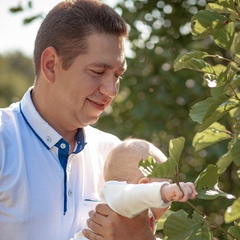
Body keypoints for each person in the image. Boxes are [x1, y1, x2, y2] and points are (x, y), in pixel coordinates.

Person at [0, 1, 160, 240]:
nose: (111, 90)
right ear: (51, 65)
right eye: (97, 72)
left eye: (117, 75)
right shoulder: (4, 142)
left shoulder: (116, 155)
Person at [71, 138, 198, 240]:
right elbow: (131, 195)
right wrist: (163, 192)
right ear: (144, 186)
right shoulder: (116, 195)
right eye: (165, 183)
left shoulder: (141, 217)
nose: (169, 204)